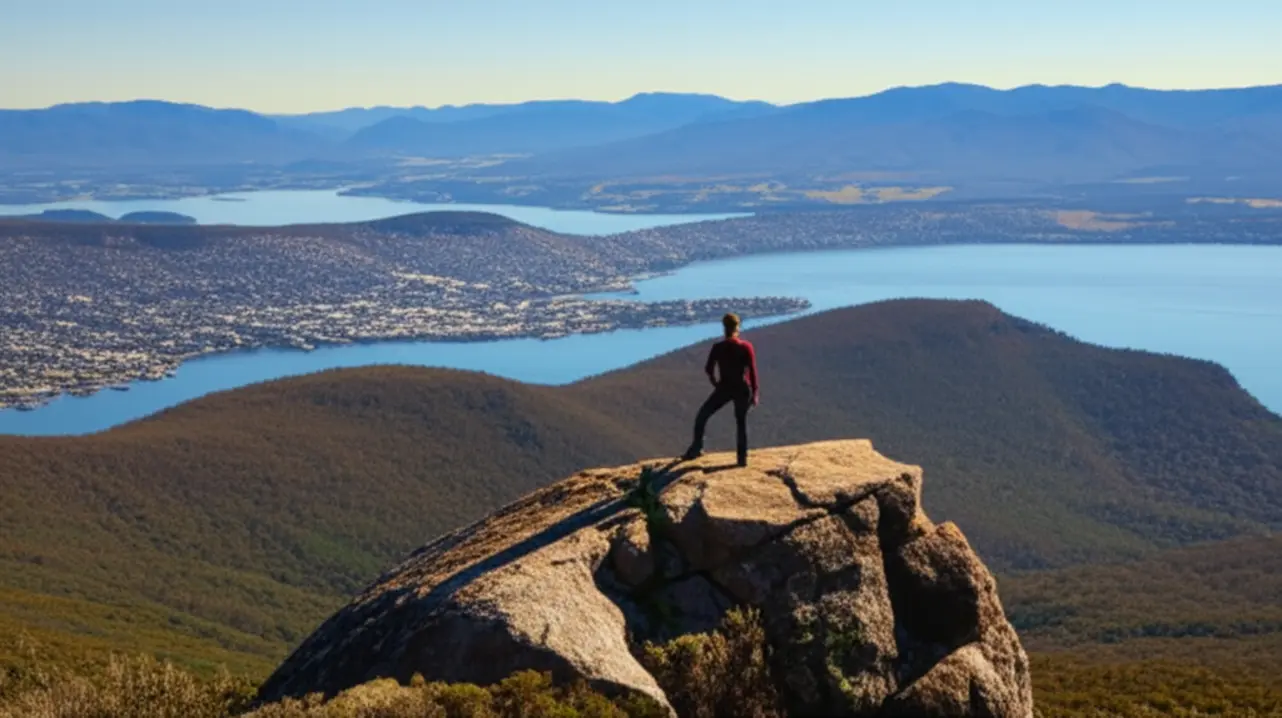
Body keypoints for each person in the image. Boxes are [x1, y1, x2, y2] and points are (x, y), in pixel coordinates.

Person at [682, 313, 759, 467]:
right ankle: (741, 460)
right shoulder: (745, 347)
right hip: (742, 388)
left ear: (724, 327)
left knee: (702, 415)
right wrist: (755, 392)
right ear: (738, 327)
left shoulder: (718, 347)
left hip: (725, 387)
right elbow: (752, 371)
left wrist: (716, 384)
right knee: (741, 423)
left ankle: (696, 448)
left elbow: (708, 369)